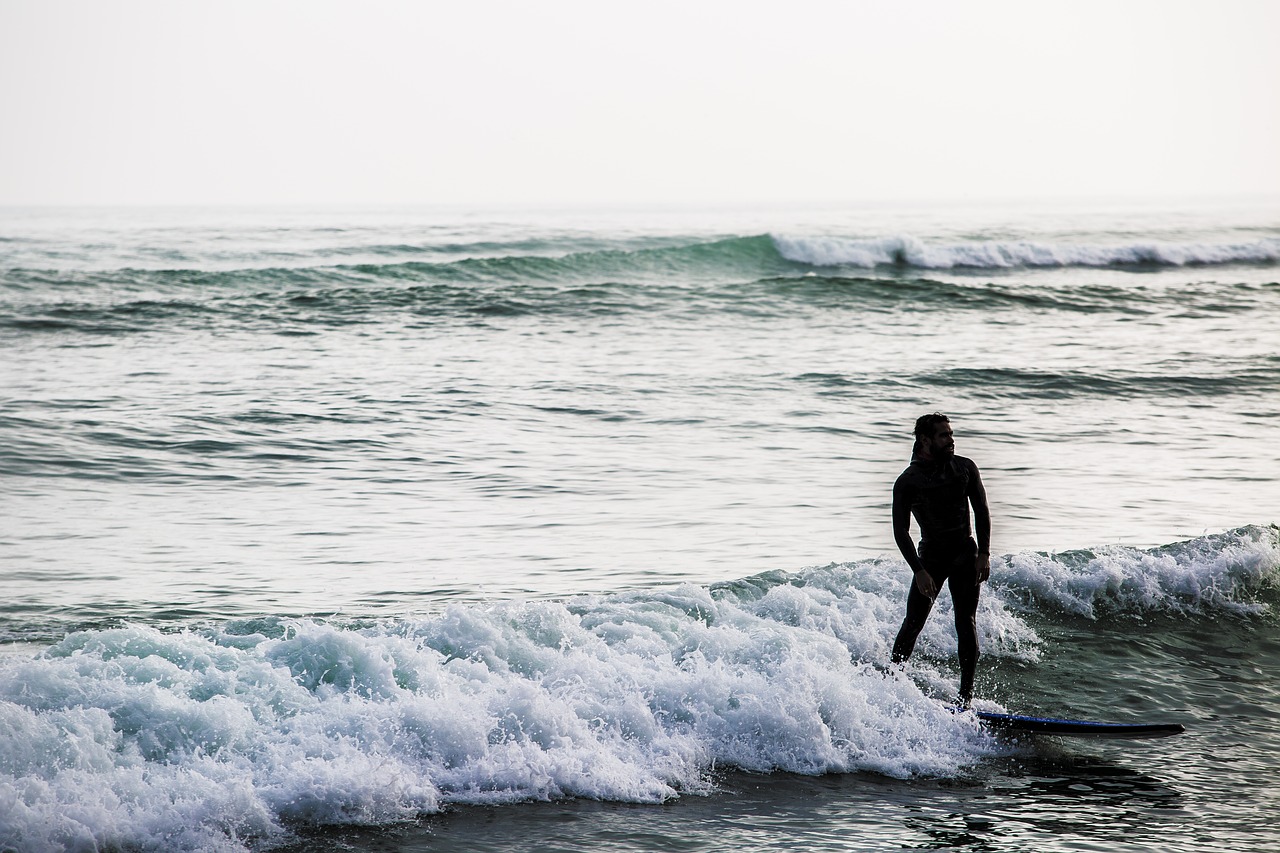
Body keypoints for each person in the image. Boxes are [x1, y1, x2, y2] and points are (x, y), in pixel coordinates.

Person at [890, 412, 991, 706]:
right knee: (913, 622)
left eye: (950, 434)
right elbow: (900, 532)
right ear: (925, 440)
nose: (951, 440)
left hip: (964, 554)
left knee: (966, 621)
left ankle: (966, 698)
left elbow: (982, 511)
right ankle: (891, 682)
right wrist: (918, 570)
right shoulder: (908, 481)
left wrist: (983, 553)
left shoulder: (964, 468)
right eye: (943, 435)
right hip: (931, 558)